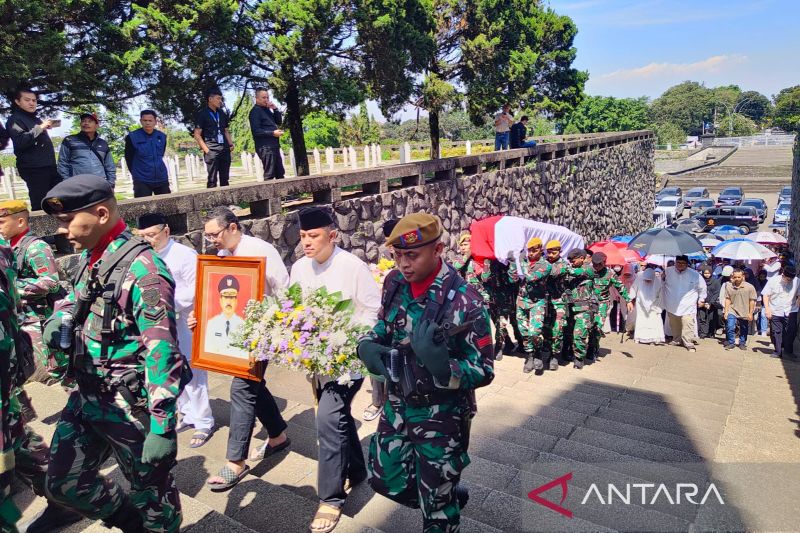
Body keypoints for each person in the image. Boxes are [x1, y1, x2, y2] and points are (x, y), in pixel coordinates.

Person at [39, 174, 187, 532]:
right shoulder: (95, 257)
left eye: (67, 220)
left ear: (102, 214)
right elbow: (76, 300)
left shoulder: (145, 272)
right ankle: (125, 519)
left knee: (154, 499)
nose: (62, 230)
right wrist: (57, 319)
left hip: (129, 406)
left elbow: (163, 350)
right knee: (62, 483)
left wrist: (163, 427)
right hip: (89, 396)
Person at [357, 213, 494, 532]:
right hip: (397, 402)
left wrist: (443, 366)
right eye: (398, 255)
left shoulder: (465, 301)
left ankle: (442, 502)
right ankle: (443, 496)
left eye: (412, 255)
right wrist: (368, 343)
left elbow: (484, 369)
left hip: (441, 415)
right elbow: (384, 322)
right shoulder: (394, 283)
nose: (403, 263)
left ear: (438, 250)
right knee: (384, 479)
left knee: (437, 512)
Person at [290, 207, 380, 533]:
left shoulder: (353, 266)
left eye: (313, 236)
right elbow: (296, 308)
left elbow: (372, 310)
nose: (307, 243)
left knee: (327, 419)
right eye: (302, 237)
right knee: (338, 418)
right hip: (315, 359)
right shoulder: (299, 267)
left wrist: (348, 337)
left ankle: (330, 498)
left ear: (332, 235)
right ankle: (356, 470)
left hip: (346, 361)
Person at [197, 207, 290, 492]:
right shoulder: (223, 256)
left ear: (233, 227)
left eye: (215, 234)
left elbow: (283, 290)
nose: (211, 239)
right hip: (235, 333)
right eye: (208, 235)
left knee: (241, 389)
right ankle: (278, 436)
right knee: (252, 386)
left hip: (261, 332)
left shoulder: (260, 250)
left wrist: (280, 330)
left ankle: (236, 462)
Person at [137, 214, 215, 448]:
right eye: (142, 236)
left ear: (166, 231)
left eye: (152, 235)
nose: (148, 240)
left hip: (186, 320)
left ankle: (204, 421)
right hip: (160, 322)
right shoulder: (145, 257)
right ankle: (186, 413)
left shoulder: (184, 255)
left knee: (194, 371)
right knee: (171, 367)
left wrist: (167, 304)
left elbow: (197, 288)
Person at [0, 200, 64, 383]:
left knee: (52, 370)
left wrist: (11, 287)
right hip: (16, 317)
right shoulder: (7, 247)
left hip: (38, 318)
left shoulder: (35, 247)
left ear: (20, 222)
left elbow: (51, 282)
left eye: (1, 222)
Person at [4, 88, 61, 210]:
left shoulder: (34, 119)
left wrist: (42, 127)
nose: (32, 103)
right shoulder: (14, 120)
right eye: (27, 100)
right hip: (34, 168)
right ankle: (41, 228)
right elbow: (21, 141)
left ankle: (56, 227)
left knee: (56, 200)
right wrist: (40, 128)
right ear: (17, 102)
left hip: (49, 166)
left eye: (34, 100)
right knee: (40, 202)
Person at [509, 237, 552, 372]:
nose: (531, 253)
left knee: (535, 331)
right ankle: (530, 355)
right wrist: (512, 263)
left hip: (537, 302)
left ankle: (538, 352)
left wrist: (520, 261)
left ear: (540, 250)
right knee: (524, 331)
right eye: (529, 250)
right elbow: (513, 279)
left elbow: (531, 277)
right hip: (522, 300)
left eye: (534, 250)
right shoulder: (524, 262)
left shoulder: (546, 265)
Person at [588, 252, 632, 360]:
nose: (596, 267)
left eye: (599, 264)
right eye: (594, 264)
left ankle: (592, 348)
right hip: (588, 303)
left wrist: (628, 300)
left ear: (604, 262)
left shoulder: (610, 274)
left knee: (597, 326)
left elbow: (620, 287)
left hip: (602, 303)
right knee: (587, 326)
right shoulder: (588, 271)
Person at [57, 112, 116, 186]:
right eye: (83, 121)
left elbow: (110, 166)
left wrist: (111, 184)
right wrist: (67, 182)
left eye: (90, 121)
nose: (86, 123)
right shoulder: (69, 140)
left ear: (97, 125)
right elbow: (62, 163)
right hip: (77, 185)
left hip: (99, 184)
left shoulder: (103, 143)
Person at [662, 255, 706, 352]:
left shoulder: (695, 274)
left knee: (687, 324)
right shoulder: (668, 271)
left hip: (688, 304)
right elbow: (661, 283)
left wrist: (702, 299)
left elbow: (702, 288)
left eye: (683, 263)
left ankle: (688, 343)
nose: (680, 265)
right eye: (678, 263)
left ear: (687, 264)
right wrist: (662, 277)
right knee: (674, 324)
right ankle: (677, 340)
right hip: (672, 303)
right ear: (675, 263)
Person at [193, 87, 234, 188]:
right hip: (211, 150)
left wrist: (231, 144)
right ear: (210, 99)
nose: (220, 101)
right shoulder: (202, 114)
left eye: (221, 99)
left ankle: (226, 202)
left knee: (225, 178)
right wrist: (207, 150)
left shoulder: (222, 113)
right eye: (218, 98)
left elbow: (225, 130)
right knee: (212, 180)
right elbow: (197, 134)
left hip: (224, 149)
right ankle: (212, 203)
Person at [124, 110, 170, 197]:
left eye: (150, 120)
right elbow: (129, 158)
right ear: (141, 121)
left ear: (155, 122)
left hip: (161, 178)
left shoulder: (161, 136)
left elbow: (161, 154)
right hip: (142, 179)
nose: (147, 123)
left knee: (166, 207)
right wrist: (136, 174)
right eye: (145, 120)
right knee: (143, 208)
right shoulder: (132, 137)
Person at [204, 275, 248, 358]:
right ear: (220, 300)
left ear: (236, 301)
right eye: (225, 297)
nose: (228, 302)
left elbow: (245, 354)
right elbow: (208, 350)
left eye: (232, 297)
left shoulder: (244, 325)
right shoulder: (212, 323)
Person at [761, 265, 799, 358]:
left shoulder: (797, 281)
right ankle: (777, 351)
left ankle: (788, 351)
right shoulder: (773, 281)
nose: (789, 280)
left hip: (791, 310)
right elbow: (766, 295)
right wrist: (767, 309)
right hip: (775, 310)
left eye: (791, 279)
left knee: (791, 331)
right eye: (787, 279)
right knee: (775, 332)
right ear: (783, 275)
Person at [564, 249, 593, 368]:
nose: (571, 263)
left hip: (583, 309)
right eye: (569, 261)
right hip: (570, 308)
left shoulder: (588, 269)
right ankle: (567, 353)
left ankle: (579, 358)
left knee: (579, 335)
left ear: (582, 258)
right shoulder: (572, 270)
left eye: (573, 260)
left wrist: (562, 266)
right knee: (568, 333)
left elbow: (574, 272)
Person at [249, 87, 285, 180]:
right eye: (263, 98)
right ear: (257, 99)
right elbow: (256, 131)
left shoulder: (267, 110)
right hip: (265, 147)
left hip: (274, 145)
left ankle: (282, 194)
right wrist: (272, 133)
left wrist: (275, 109)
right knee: (269, 174)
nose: (266, 100)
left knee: (280, 173)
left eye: (267, 97)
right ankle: (269, 194)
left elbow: (279, 121)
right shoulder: (255, 112)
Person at [543, 240, 568, 371]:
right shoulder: (543, 261)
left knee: (557, 330)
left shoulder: (563, 264)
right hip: (545, 301)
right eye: (549, 252)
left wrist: (542, 264)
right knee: (545, 328)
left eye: (554, 252)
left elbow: (552, 272)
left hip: (558, 301)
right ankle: (546, 351)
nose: (551, 254)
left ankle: (555, 355)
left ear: (560, 251)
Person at [723, 269, 757, 351]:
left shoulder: (749, 287)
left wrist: (750, 313)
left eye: (739, 277)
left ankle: (742, 343)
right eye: (735, 277)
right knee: (730, 326)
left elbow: (752, 301)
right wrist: (726, 311)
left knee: (744, 328)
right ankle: (731, 342)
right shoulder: (729, 286)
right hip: (732, 309)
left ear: (743, 277)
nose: (737, 279)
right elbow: (727, 299)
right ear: (732, 277)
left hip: (744, 310)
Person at [628, 268, 665, 344]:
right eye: (646, 280)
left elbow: (661, 296)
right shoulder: (639, 279)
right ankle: (639, 337)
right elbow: (633, 289)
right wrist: (630, 299)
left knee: (653, 321)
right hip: (641, 304)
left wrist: (658, 307)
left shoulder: (658, 281)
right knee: (641, 320)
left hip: (654, 306)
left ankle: (654, 338)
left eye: (649, 280)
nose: (647, 282)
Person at [697, 265, 721, 339]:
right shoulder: (700, 281)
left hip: (712, 303)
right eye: (705, 273)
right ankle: (703, 333)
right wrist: (701, 301)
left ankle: (711, 333)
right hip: (701, 302)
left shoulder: (715, 281)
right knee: (702, 318)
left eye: (708, 273)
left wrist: (710, 302)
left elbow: (717, 292)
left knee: (711, 319)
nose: (707, 275)